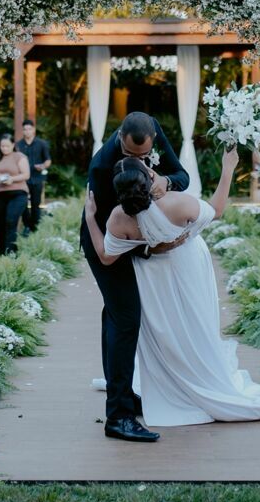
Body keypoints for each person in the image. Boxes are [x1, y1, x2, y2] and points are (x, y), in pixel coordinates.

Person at [86, 147, 260, 427]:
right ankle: (201, 375)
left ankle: (170, 384)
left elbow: (106, 256)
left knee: (166, 331)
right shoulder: (177, 203)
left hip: (153, 280)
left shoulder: (118, 217)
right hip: (189, 268)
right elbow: (218, 210)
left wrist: (91, 218)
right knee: (194, 324)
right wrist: (227, 168)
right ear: (147, 178)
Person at [80, 110, 189, 442]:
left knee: (114, 315)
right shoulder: (102, 166)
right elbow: (107, 225)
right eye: (130, 155)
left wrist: (165, 182)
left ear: (152, 140)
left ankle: (123, 396)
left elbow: (181, 176)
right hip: (107, 242)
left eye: (143, 157)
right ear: (120, 140)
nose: (137, 161)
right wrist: (151, 249)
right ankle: (119, 417)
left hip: (134, 235)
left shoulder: (152, 130)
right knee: (126, 318)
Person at [0, 132, 30, 253]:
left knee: (10, 220)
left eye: (7, 146)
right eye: (2, 146)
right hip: (0, 193)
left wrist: (12, 179)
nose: (4, 148)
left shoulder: (19, 156)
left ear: (13, 144)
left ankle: (10, 251)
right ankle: (2, 250)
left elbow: (26, 174)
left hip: (18, 193)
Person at [17, 117, 52, 231]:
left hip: (37, 178)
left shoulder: (42, 143)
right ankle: (27, 225)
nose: (27, 131)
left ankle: (35, 228)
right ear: (22, 131)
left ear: (33, 130)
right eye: (25, 129)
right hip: (23, 180)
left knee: (35, 204)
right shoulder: (18, 145)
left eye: (29, 129)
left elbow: (48, 160)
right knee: (22, 204)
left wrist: (42, 166)